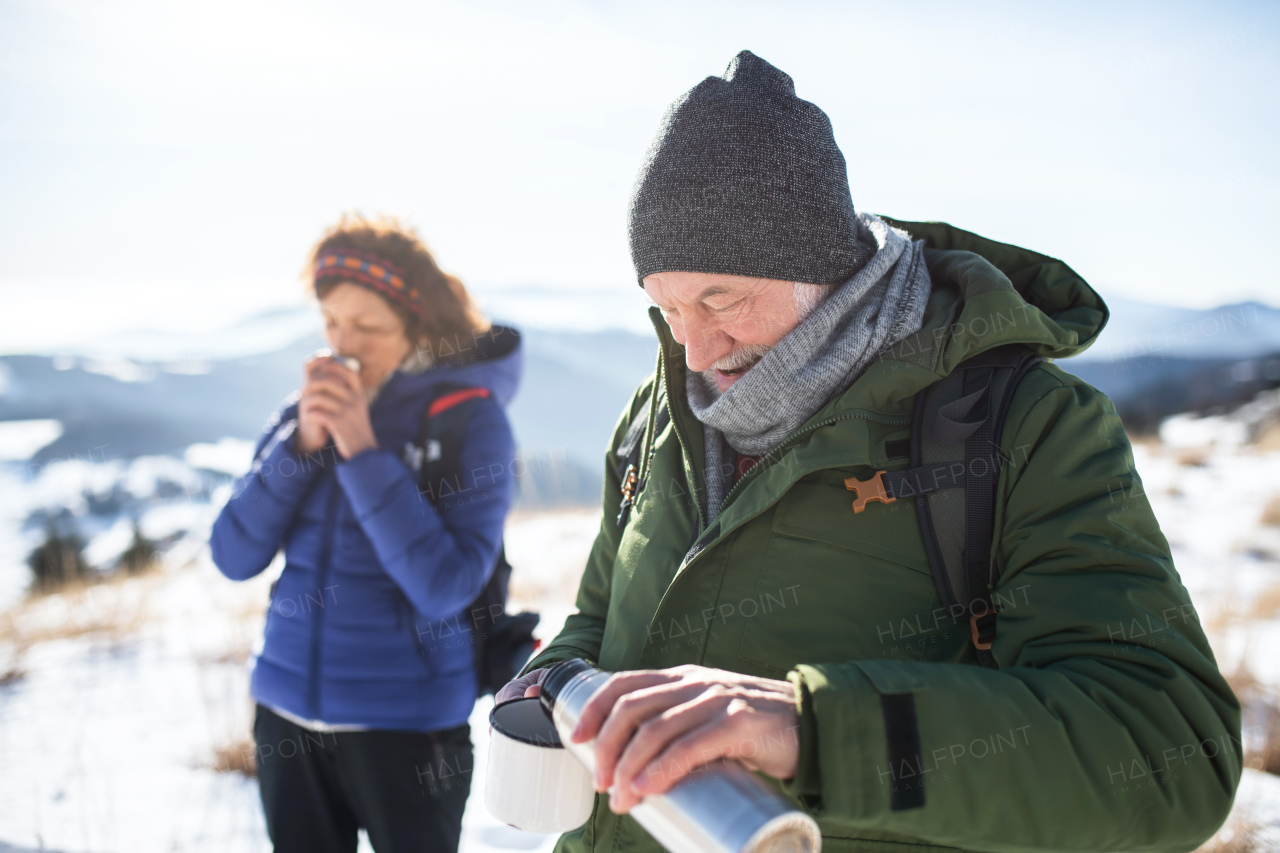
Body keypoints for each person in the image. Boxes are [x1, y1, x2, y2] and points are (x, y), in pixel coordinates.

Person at [497, 51, 1241, 853]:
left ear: (823, 267)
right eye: (666, 306)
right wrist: (558, 680)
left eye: (723, 300)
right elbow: (603, 617)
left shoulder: (1022, 429)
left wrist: (815, 730)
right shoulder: (659, 412)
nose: (696, 347)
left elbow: (1170, 753)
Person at [211, 213, 521, 853]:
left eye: (367, 327)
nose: (341, 343)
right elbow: (233, 555)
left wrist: (360, 451)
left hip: (407, 729)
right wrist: (299, 448)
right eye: (330, 322)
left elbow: (446, 586)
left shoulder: (471, 422)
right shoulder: (302, 417)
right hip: (286, 714)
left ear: (418, 326)